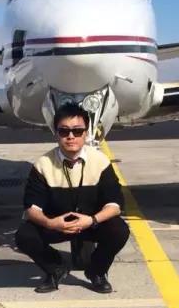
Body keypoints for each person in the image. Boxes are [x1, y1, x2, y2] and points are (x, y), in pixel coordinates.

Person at [15, 102, 130, 293]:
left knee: (119, 230)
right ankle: (55, 268)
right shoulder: (43, 164)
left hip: (90, 222)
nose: (71, 136)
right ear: (56, 133)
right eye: (64, 131)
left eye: (77, 131)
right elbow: (31, 208)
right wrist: (51, 223)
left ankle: (96, 272)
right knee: (24, 235)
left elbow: (115, 204)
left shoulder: (100, 161)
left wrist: (92, 220)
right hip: (57, 223)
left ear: (86, 133)